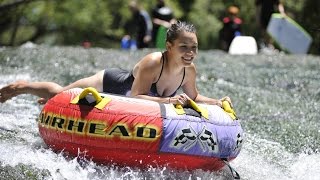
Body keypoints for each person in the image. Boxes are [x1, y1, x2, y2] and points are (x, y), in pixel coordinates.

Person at [0, 21, 231, 107]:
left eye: (194, 48)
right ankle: (21, 87)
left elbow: (194, 96)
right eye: (184, 47)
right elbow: (135, 96)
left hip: (135, 95)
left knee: (56, 97)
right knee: (60, 94)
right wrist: (169, 100)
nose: (190, 53)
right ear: (169, 46)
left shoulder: (188, 70)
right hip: (111, 82)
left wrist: (217, 102)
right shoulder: (153, 62)